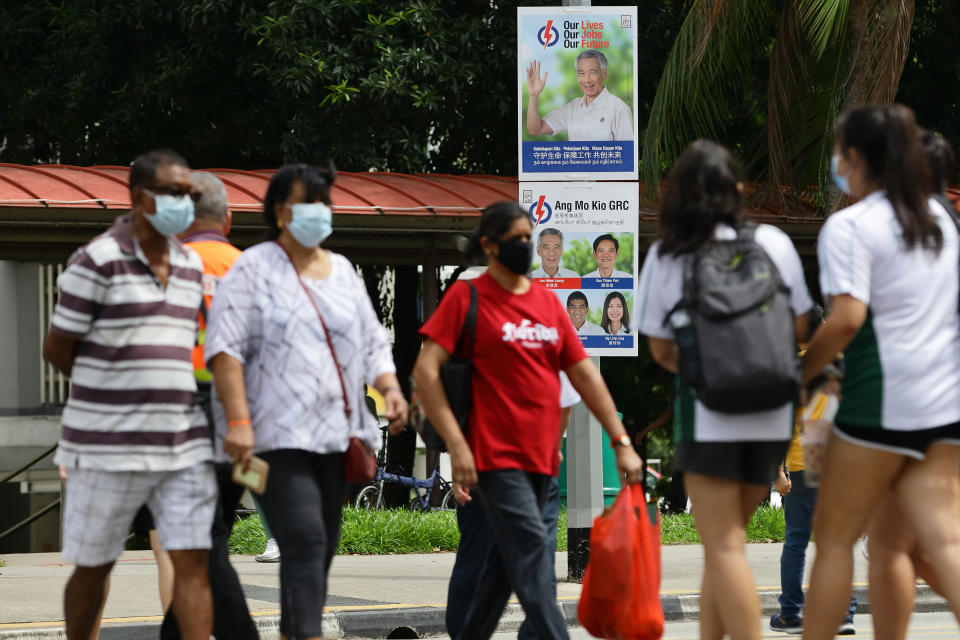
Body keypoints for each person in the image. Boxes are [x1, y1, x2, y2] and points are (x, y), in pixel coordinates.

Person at [414, 201, 643, 640]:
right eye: (518, 239)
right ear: (489, 245)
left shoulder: (546, 302)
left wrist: (620, 439)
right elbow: (426, 373)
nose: (526, 247)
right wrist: (458, 447)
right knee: (537, 572)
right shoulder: (468, 296)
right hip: (495, 462)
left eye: (529, 238)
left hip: (542, 466)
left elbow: (581, 376)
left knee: (499, 572)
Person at [204, 163, 409, 640]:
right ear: (280, 211)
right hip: (273, 436)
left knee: (318, 553)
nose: (320, 212)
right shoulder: (252, 268)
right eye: (308, 202)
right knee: (304, 541)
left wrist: (392, 388)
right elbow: (224, 350)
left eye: (324, 202)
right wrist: (237, 422)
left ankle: (299, 632)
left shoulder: (341, 271)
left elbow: (373, 341)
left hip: (336, 437)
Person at [633, 139, 812, 640]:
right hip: (772, 414)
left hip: (710, 413)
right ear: (737, 189)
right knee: (723, 547)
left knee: (725, 545)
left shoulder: (671, 255)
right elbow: (799, 327)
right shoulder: (773, 243)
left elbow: (663, 352)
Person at [800, 104, 960, 640]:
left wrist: (803, 372)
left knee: (835, 539)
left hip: (881, 406)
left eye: (840, 152)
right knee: (926, 542)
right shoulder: (940, 218)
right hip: (945, 406)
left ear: (855, 157)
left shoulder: (851, 226)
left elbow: (845, 320)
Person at [43, 149, 217, 640]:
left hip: (179, 443)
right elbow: (57, 349)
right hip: (105, 444)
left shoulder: (188, 264)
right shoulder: (96, 260)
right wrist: (113, 386)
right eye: (176, 193)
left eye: (192, 194)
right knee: (94, 565)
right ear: (141, 198)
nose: (186, 202)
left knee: (193, 563)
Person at [160, 171, 258, 640]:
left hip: (178, 421)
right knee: (203, 538)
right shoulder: (250, 270)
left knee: (204, 541)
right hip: (241, 423)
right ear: (229, 218)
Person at [770, 306, 856, 635]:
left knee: (796, 541)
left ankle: (791, 614)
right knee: (839, 542)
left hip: (801, 460)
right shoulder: (843, 364)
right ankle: (844, 613)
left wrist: (777, 470)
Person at [526, 50, 633, 141]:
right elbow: (535, 129)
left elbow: (627, 155)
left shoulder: (619, 108)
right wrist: (534, 95)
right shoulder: (572, 108)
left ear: (604, 74)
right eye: (581, 73)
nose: (587, 80)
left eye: (592, 73)